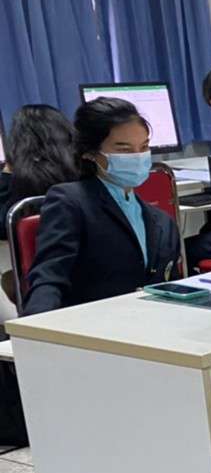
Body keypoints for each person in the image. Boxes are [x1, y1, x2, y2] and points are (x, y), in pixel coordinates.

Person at [25, 98, 182, 315]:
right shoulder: (70, 201)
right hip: (92, 324)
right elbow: (50, 276)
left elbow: (170, 287)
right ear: (90, 152)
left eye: (144, 147)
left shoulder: (162, 221)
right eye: (124, 150)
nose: (137, 157)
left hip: (152, 322)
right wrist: (37, 326)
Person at [1, 105, 78, 310]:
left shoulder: (20, 182)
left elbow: (3, 226)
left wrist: (7, 173)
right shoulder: (81, 175)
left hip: (43, 284)